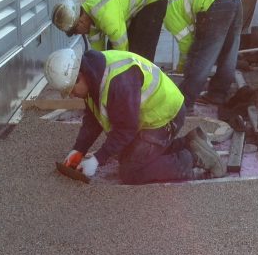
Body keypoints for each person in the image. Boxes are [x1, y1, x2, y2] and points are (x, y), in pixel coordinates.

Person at [44, 48, 225, 184]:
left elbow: (126, 129)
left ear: (79, 76)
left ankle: (192, 157)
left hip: (165, 117)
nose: (70, 95)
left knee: (131, 172)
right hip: (152, 119)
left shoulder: (118, 82)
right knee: (125, 155)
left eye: (70, 90)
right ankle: (189, 143)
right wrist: (79, 149)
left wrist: (99, 158)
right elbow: (93, 119)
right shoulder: (93, 76)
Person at [163, 0, 242, 125]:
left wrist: (182, 67)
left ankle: (184, 104)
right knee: (229, 50)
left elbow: (187, 46)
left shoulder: (169, 13)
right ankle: (217, 94)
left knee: (202, 55)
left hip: (215, 1)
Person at [51, 0, 168, 61]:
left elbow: (122, 54)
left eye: (75, 31)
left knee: (139, 52)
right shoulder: (91, 19)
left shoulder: (106, 16)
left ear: (81, 21)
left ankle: (144, 86)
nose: (78, 34)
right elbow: (101, 56)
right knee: (112, 48)